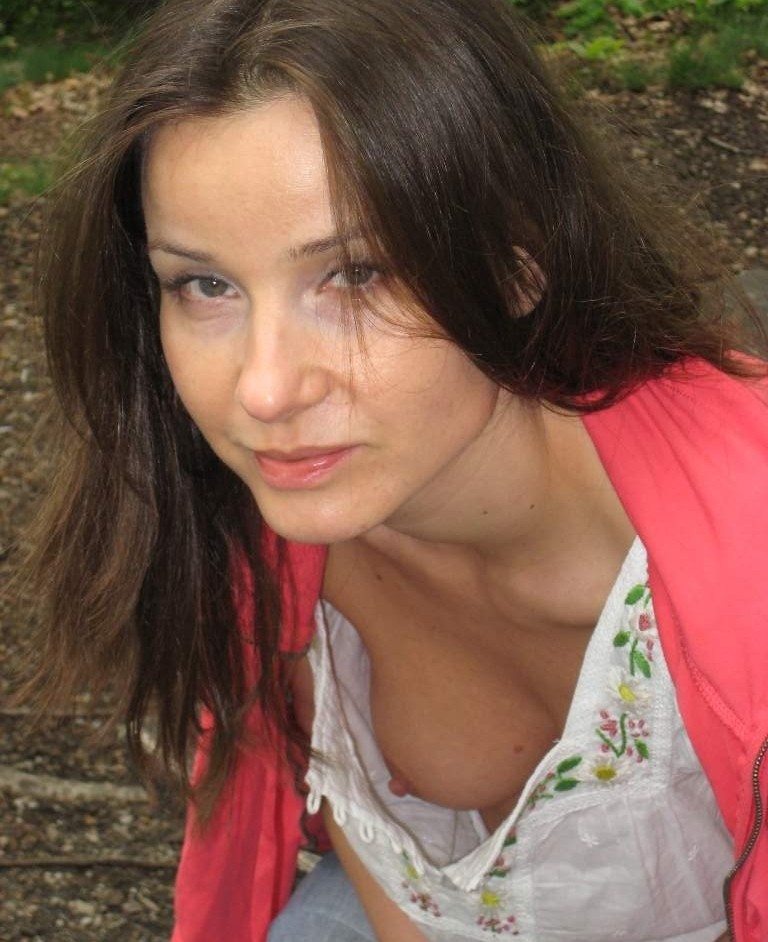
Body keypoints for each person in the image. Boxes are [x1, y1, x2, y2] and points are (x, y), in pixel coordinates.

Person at [21, 0, 768, 939]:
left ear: (516, 264)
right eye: (205, 285)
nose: (263, 390)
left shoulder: (746, 549)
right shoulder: (267, 534)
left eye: (355, 273)